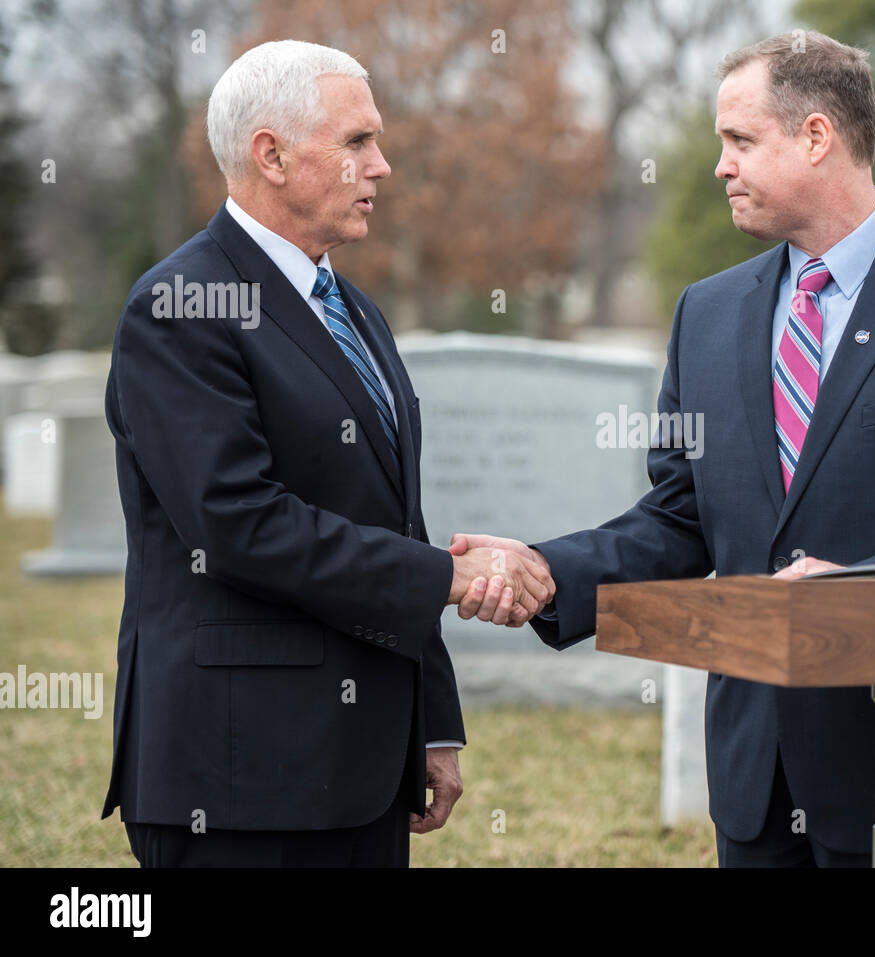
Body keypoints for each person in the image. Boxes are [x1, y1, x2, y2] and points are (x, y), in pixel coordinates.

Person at [450, 31, 875, 867]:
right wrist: (548, 569)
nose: (721, 165)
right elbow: (679, 520)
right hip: (757, 775)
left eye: (739, 140)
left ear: (816, 137)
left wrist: (852, 589)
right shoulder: (706, 313)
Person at [101, 39, 552, 867]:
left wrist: (432, 722)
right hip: (240, 777)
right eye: (357, 143)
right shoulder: (179, 305)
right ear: (269, 155)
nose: (381, 167)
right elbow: (239, 525)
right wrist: (448, 578)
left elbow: (394, 518)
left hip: (363, 769)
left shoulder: (351, 308)